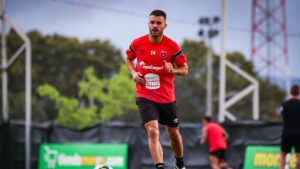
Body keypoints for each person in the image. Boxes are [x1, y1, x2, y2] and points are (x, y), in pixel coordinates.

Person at [125, 9, 188, 169]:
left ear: (165, 25)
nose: (155, 26)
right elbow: (129, 58)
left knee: (173, 134)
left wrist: (172, 70)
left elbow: (185, 69)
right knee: (153, 131)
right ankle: (159, 166)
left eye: (158, 23)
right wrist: (133, 73)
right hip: (145, 95)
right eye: (152, 22)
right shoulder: (138, 43)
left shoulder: (172, 46)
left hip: (166, 98)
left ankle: (179, 164)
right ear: (148, 24)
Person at [280, 84, 300, 169]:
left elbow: (282, 115)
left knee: (283, 154)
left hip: (287, 132)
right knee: (299, 155)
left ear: (290, 92)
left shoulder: (285, 105)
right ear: (298, 93)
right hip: (298, 132)